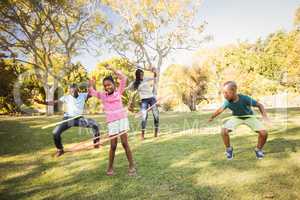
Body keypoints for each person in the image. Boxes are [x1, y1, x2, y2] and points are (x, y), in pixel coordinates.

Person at [88, 65, 136, 176]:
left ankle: (132, 165)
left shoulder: (119, 92)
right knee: (113, 146)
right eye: (105, 85)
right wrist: (91, 83)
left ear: (114, 84)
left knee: (125, 143)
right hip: (112, 123)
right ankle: (110, 168)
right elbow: (92, 92)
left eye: (109, 84)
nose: (107, 87)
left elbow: (123, 78)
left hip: (122, 120)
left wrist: (113, 69)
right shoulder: (103, 95)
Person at [208, 81, 269, 160]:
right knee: (223, 131)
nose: (224, 95)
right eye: (223, 93)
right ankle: (229, 149)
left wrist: (265, 116)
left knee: (264, 133)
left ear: (233, 91)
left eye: (226, 93)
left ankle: (258, 149)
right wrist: (212, 117)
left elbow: (259, 105)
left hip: (249, 117)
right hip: (236, 117)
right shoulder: (227, 102)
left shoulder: (245, 98)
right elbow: (220, 110)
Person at [35, 84, 100, 157]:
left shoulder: (83, 95)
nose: (71, 93)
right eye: (70, 91)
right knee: (55, 133)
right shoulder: (66, 97)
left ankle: (96, 143)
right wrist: (42, 102)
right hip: (68, 119)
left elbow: (92, 93)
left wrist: (93, 84)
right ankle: (60, 150)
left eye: (73, 91)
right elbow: (53, 102)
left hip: (79, 118)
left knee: (95, 124)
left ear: (77, 90)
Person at [127, 67, 160, 140]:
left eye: (142, 74)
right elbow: (128, 89)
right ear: (137, 75)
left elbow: (154, 77)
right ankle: (142, 135)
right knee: (144, 117)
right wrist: (131, 98)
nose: (142, 76)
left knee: (156, 115)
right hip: (144, 100)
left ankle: (156, 132)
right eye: (140, 75)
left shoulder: (145, 79)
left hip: (151, 98)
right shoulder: (135, 83)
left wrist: (154, 72)